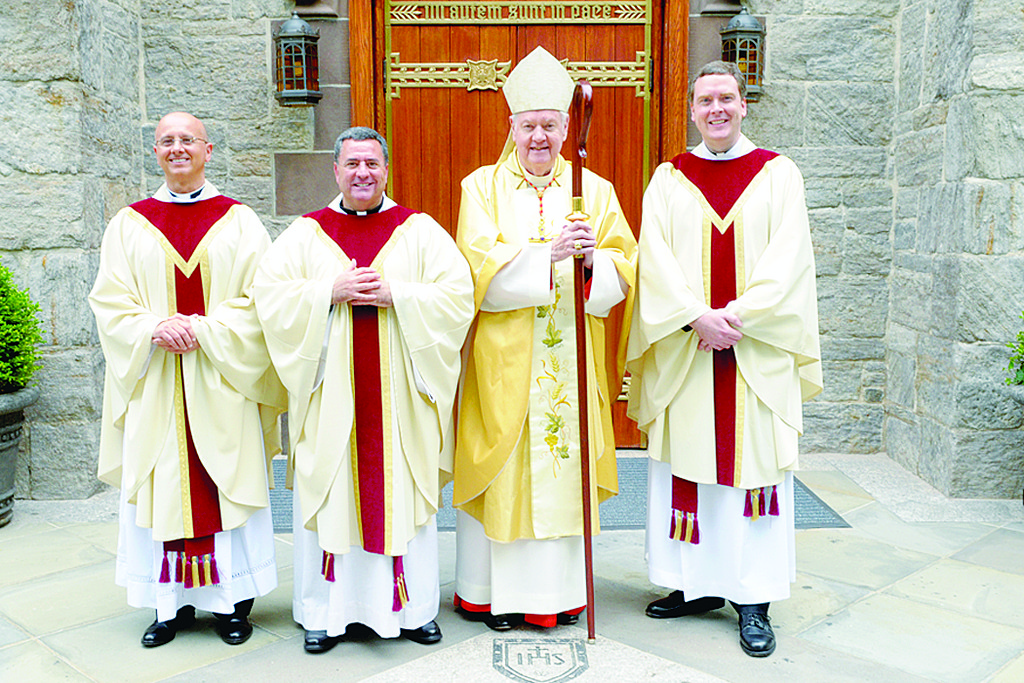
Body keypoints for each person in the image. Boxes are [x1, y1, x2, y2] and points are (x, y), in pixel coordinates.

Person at [626, 61, 822, 658]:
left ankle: (753, 598)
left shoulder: (778, 174)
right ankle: (695, 585)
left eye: (726, 99)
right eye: (704, 100)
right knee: (689, 470)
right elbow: (651, 259)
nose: (715, 109)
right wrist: (696, 317)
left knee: (751, 479)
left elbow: (789, 262)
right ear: (691, 110)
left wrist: (733, 318)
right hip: (690, 349)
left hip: (753, 352)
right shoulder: (668, 177)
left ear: (743, 107)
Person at [253, 126, 474, 654]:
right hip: (331, 400)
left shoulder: (417, 230)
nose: (362, 173)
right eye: (352, 164)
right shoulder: (308, 233)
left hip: (399, 399)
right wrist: (326, 291)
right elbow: (269, 296)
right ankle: (324, 615)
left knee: (398, 493)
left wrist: (398, 293)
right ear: (335, 170)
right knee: (333, 492)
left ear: (386, 169)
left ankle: (414, 609)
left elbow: (458, 294)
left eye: (372, 164)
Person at [453, 46, 637, 630]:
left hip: (569, 358)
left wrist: (590, 266)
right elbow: (475, 266)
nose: (539, 137)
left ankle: (555, 595)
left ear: (565, 128)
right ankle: (489, 594)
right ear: (511, 125)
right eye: (528, 125)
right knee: (503, 466)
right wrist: (548, 257)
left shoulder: (596, 190)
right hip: (502, 359)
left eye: (550, 125)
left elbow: (625, 263)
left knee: (562, 464)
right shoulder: (479, 187)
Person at [89, 112, 286, 648]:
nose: (178, 149)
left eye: (188, 141)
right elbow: (110, 300)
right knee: (162, 484)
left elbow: (261, 299)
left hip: (222, 378)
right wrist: (154, 325)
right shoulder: (128, 223)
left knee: (225, 481)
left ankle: (232, 605)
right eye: (167, 141)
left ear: (208, 149)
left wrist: (205, 329)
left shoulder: (241, 221)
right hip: (156, 380)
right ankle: (166, 605)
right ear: (156, 152)